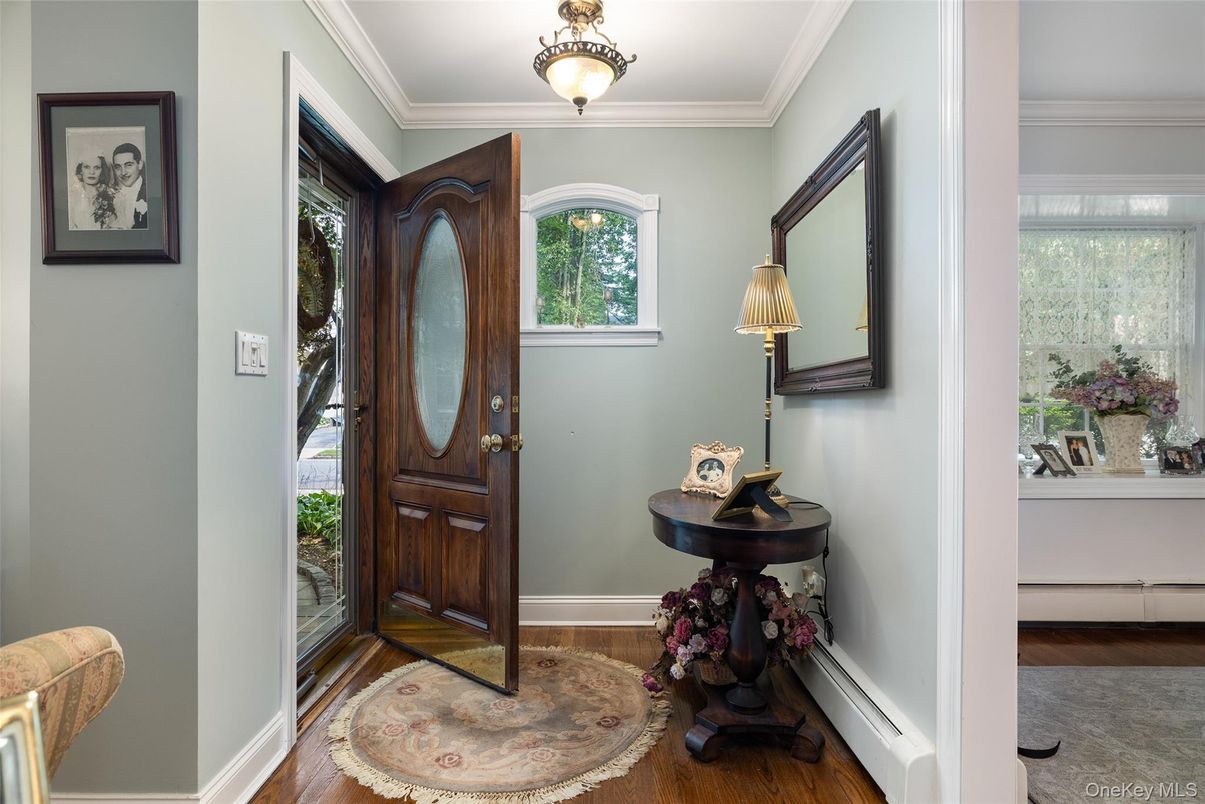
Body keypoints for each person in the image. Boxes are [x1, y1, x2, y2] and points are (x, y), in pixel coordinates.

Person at [68, 156, 116, 230]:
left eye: (96, 168)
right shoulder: (71, 196)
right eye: (87, 167)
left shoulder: (112, 196)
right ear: (80, 170)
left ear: (102, 171)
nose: (92, 172)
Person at [111, 142, 147, 230]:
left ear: (140, 164)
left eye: (128, 165)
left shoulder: (150, 192)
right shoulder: (113, 196)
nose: (123, 172)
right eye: (118, 167)